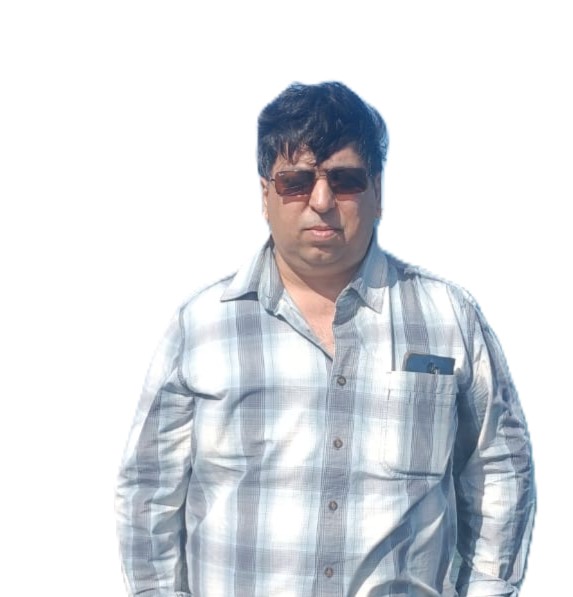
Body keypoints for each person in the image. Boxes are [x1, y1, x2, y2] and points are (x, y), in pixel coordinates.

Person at [116, 81, 536, 597]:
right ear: (265, 195)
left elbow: (499, 472)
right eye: (295, 182)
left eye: (344, 180)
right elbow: (149, 490)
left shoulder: (449, 319)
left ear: (377, 191)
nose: (320, 201)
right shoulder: (202, 326)